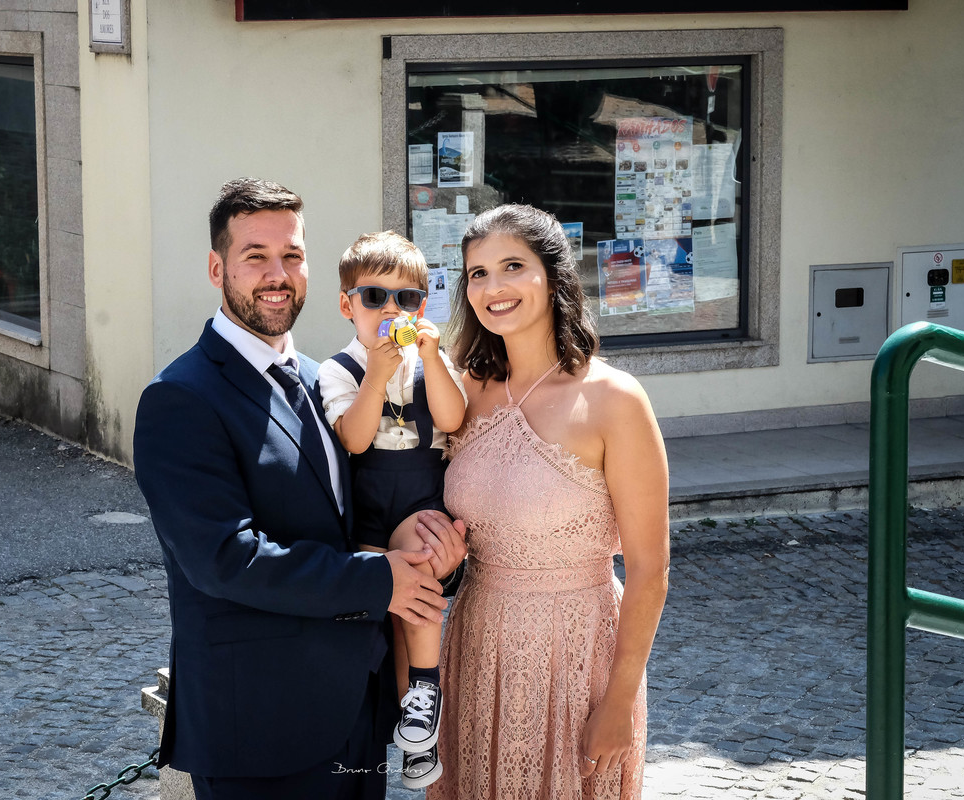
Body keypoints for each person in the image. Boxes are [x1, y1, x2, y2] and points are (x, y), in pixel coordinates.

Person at [133, 178, 464, 800]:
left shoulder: (323, 380)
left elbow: (366, 514)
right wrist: (379, 579)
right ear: (217, 268)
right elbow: (223, 559)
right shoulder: (179, 398)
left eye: (292, 255)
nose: (277, 274)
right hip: (258, 729)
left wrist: (430, 551)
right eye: (255, 256)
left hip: (356, 716)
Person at [428, 204, 670, 800]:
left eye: (513, 266)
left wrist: (618, 701)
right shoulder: (462, 389)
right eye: (478, 273)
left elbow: (650, 568)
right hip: (476, 645)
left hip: (577, 652)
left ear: (554, 276)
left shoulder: (614, 399)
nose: (494, 286)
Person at [318, 231, 467, 789]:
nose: (390, 309)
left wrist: (430, 358)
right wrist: (376, 377)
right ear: (347, 305)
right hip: (368, 507)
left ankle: (424, 692)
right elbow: (354, 439)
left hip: (418, 501)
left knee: (419, 577)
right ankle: (412, 731)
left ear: (421, 308)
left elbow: (451, 420)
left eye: (405, 299)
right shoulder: (338, 370)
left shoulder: (432, 361)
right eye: (374, 297)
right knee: (391, 617)